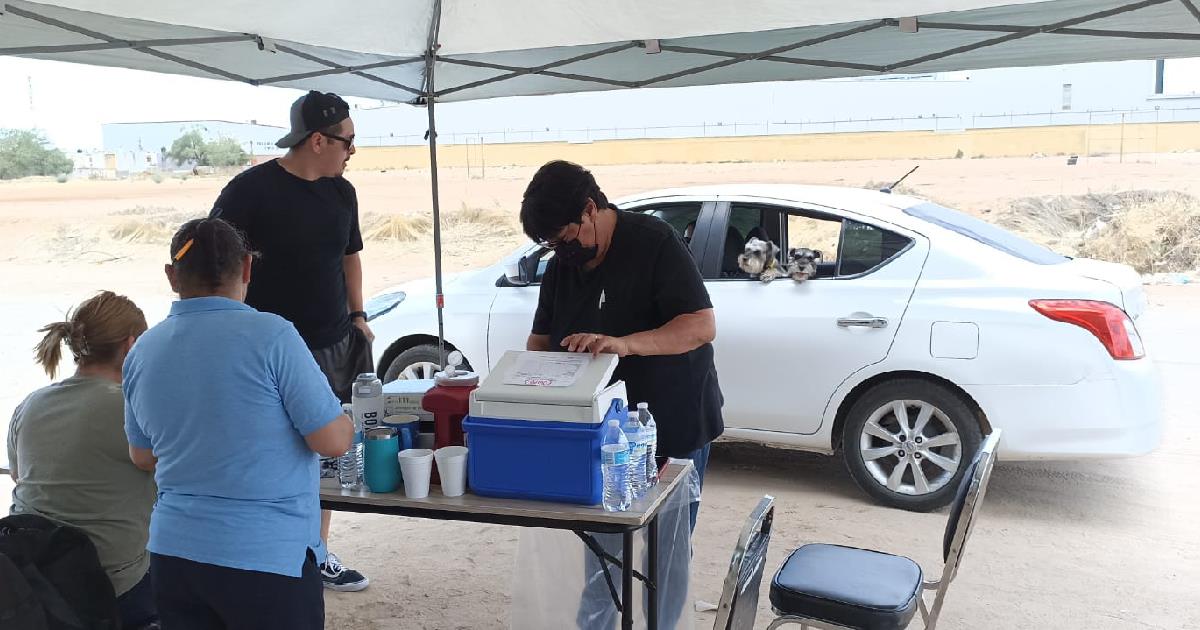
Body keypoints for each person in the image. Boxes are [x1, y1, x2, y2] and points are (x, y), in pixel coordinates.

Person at [123, 218, 352, 628]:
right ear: (247, 268)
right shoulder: (272, 336)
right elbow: (332, 440)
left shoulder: (143, 350)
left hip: (176, 554)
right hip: (266, 557)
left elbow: (142, 455)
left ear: (172, 277)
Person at [210, 89, 370, 592]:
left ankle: (315, 552)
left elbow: (350, 256)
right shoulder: (249, 191)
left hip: (330, 344)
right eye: (348, 142)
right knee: (269, 450)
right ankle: (266, 552)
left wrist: (359, 314)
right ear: (318, 140)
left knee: (324, 454)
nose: (351, 152)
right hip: (262, 351)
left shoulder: (343, 193)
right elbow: (214, 263)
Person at [521, 159, 724, 526]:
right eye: (552, 245)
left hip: (671, 423)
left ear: (589, 209)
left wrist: (622, 344)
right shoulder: (560, 268)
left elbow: (700, 326)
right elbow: (538, 344)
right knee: (602, 543)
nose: (562, 252)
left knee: (665, 551)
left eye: (565, 238)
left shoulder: (655, 242)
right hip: (599, 434)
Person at [7, 291, 158, 629]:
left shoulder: (31, 404)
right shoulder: (134, 409)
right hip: (110, 584)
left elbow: (19, 475)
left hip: (29, 574)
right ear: (132, 346)